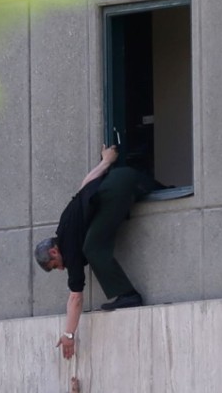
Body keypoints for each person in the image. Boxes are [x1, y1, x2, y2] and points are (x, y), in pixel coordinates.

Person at [34, 143, 155, 360]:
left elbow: (75, 298)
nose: (61, 269)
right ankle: (127, 295)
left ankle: (129, 295)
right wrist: (106, 161)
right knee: (91, 244)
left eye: (55, 266)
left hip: (119, 186)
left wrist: (69, 334)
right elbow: (85, 185)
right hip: (122, 178)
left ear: (54, 252)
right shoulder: (65, 225)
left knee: (92, 248)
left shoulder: (69, 248)